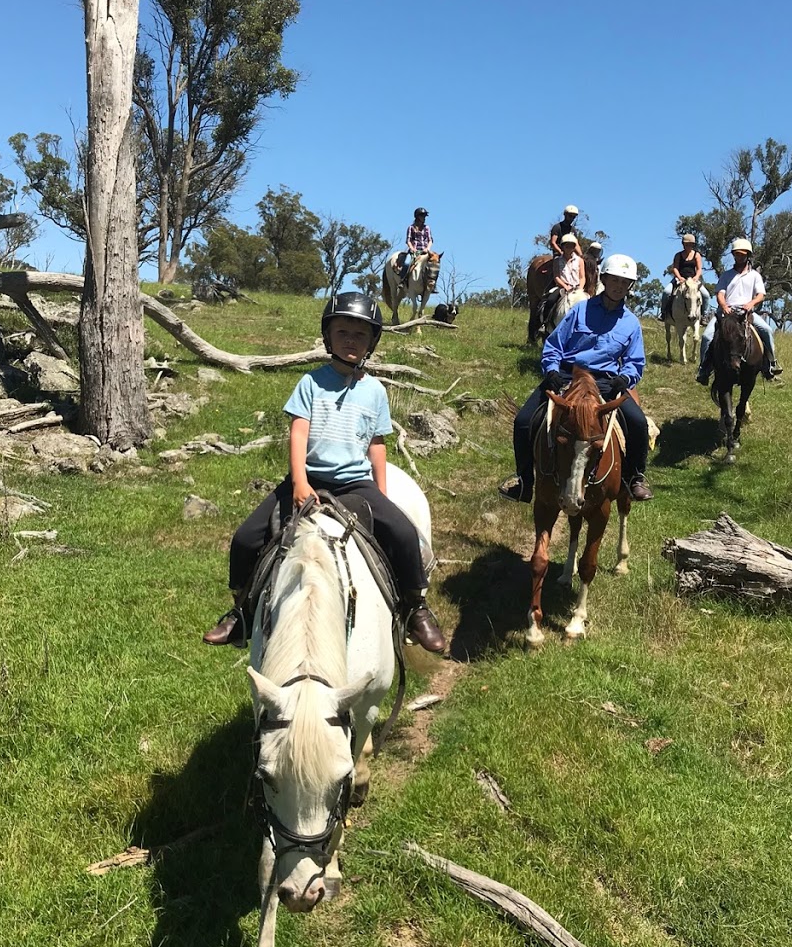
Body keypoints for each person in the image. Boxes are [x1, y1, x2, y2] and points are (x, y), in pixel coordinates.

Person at [203, 292, 446, 652]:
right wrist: (299, 482)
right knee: (245, 538)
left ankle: (415, 608)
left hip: (355, 484)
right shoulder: (310, 383)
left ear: (372, 342)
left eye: (360, 335)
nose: (351, 340)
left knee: (405, 535)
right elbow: (298, 432)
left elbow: (376, 444)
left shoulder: (376, 391)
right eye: (343, 332)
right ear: (327, 336)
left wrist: (381, 492)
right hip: (309, 480)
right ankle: (242, 611)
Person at [500, 253, 654, 504]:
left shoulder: (631, 323)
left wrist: (625, 379)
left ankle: (633, 478)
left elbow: (635, 362)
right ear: (603, 279)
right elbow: (554, 344)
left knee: (638, 423)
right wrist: (550, 370)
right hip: (566, 375)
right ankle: (525, 482)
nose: (618, 286)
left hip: (606, 381)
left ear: (630, 287)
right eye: (614, 280)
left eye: (624, 282)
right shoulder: (580, 310)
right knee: (524, 421)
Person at [696, 238, 782, 384]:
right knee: (706, 337)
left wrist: (751, 303)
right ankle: (704, 368)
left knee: (767, 330)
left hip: (746, 313)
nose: (739, 257)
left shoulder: (755, 275)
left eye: (742, 254)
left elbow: (761, 294)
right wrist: (724, 306)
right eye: (737, 254)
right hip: (726, 313)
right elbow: (720, 294)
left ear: (748, 255)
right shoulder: (726, 275)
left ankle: (771, 364)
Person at [401, 208, 433, 284]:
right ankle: (402, 281)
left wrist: (427, 248)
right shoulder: (411, 228)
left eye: (425, 216)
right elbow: (408, 241)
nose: (424, 218)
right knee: (406, 263)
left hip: (425, 251)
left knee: (434, 264)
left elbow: (430, 240)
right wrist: (412, 248)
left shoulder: (427, 228)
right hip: (414, 251)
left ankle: (432, 284)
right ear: (417, 217)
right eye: (422, 216)